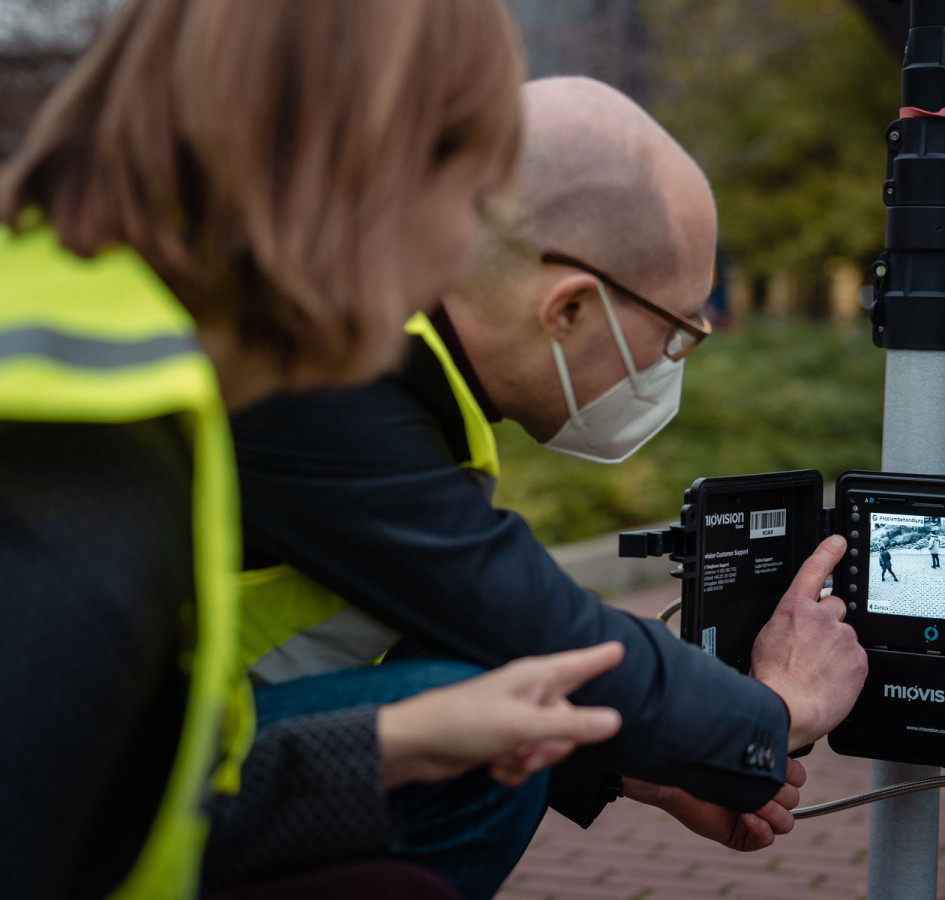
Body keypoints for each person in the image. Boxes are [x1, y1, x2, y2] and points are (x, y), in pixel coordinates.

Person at [0, 3, 624, 899]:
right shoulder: (79, 478)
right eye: (476, 200)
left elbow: (121, 796)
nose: (462, 259)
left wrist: (394, 742)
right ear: (369, 176)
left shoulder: (121, 374)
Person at [224, 76, 867, 896]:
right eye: (676, 332)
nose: (675, 365)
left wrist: (634, 768)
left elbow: (472, 631)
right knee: (473, 729)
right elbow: (533, 623)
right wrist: (783, 716)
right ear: (568, 310)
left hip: (161, 740)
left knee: (476, 690)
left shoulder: (373, 343)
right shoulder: (321, 377)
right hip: (85, 783)